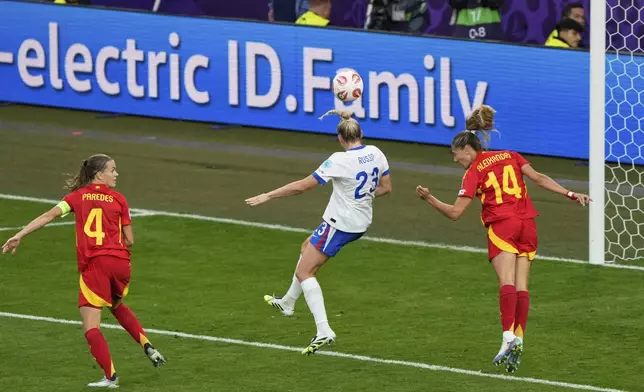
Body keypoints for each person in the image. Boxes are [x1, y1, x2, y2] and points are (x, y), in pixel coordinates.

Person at [415, 106, 590, 373]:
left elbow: (455, 213)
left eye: (455, 154)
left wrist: (429, 198)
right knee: (522, 287)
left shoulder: (473, 171)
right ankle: (518, 339)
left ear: (467, 149)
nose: (455, 160)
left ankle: (507, 337)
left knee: (506, 282)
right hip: (527, 225)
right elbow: (539, 179)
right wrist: (570, 194)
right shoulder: (511, 155)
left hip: (503, 225)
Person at [2, 154, 166, 389]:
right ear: (99, 174)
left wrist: (19, 234)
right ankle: (148, 346)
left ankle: (111, 378)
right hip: (121, 264)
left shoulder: (76, 198)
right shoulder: (119, 199)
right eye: (113, 170)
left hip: (96, 265)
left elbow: (49, 216)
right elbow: (130, 239)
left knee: (91, 327)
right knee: (116, 305)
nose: (116, 174)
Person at [246, 110, 392, 355]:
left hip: (341, 223)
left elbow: (303, 186)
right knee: (307, 247)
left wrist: (268, 195)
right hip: (360, 220)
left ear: (340, 138)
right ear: (362, 134)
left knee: (305, 271)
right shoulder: (376, 152)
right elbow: (386, 188)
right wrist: (363, 194)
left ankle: (324, 330)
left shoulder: (339, 160)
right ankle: (288, 302)